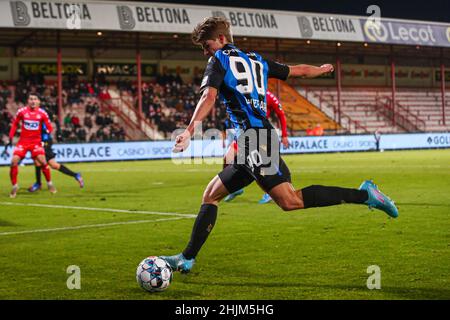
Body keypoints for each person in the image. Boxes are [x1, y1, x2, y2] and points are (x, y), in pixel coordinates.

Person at [161, 17, 398, 273]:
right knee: (212, 194)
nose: (205, 52)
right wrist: (320, 70)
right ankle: (187, 258)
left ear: (221, 39)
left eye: (207, 46)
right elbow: (296, 70)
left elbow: (209, 96)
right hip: (253, 140)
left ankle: (365, 195)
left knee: (289, 201)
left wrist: (189, 130)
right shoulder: (257, 60)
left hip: (256, 140)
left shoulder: (219, 60)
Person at [223, 90, 290, 204]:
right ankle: (234, 188)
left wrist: (284, 135)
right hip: (243, 133)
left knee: (263, 165)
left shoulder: (268, 95)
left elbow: (281, 114)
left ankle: (269, 193)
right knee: (227, 157)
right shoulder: (245, 93)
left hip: (260, 133)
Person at [7, 93, 56, 198]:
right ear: (28, 101)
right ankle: (15, 186)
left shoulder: (42, 113)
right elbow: (15, 123)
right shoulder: (22, 112)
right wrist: (10, 137)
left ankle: (49, 184)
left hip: (36, 142)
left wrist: (47, 132)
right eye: (31, 99)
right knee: (13, 161)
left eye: (35, 99)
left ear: (38, 101)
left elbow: (49, 127)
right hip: (23, 142)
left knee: (43, 161)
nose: (33, 101)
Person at [28, 110, 84, 193]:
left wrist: (58, 132)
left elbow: (54, 121)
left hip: (45, 142)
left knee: (38, 162)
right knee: (54, 165)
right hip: (42, 142)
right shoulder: (37, 116)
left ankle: (38, 184)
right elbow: (55, 120)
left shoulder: (43, 115)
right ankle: (76, 175)